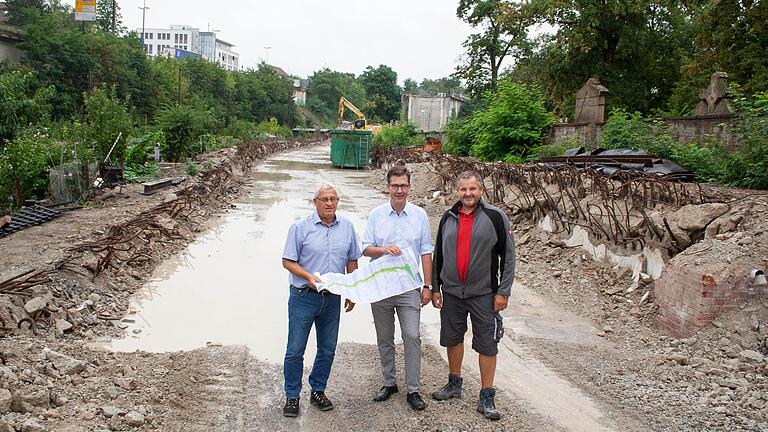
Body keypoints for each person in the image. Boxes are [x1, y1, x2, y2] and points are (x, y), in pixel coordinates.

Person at [430, 170, 515, 421]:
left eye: (473, 189)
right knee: (452, 338)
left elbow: (508, 258)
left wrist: (503, 292)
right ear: (457, 191)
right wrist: (436, 288)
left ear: (481, 190)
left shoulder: (495, 217)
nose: (468, 194)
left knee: (487, 344)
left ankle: (487, 395)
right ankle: (454, 383)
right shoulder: (448, 217)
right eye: (463, 189)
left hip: (484, 294)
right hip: (453, 293)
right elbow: (439, 255)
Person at [281, 183, 360, 418]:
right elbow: (287, 261)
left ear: (338, 202)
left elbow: (352, 261)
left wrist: (352, 290)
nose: (329, 203)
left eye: (333, 199)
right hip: (303, 297)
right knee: (295, 350)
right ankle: (292, 395)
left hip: (332, 298)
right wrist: (308, 277)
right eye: (324, 199)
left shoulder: (347, 227)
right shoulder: (300, 227)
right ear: (315, 202)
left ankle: (318, 390)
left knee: (327, 349)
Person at [362, 165, 433, 411]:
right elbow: (365, 248)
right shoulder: (376, 215)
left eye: (403, 185)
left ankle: (413, 389)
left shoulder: (420, 216)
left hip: (409, 287)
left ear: (410, 187)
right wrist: (383, 249)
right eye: (395, 185)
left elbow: (426, 251)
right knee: (384, 337)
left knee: (412, 335)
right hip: (380, 287)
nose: (399, 190)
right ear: (388, 187)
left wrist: (428, 285)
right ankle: (389, 382)